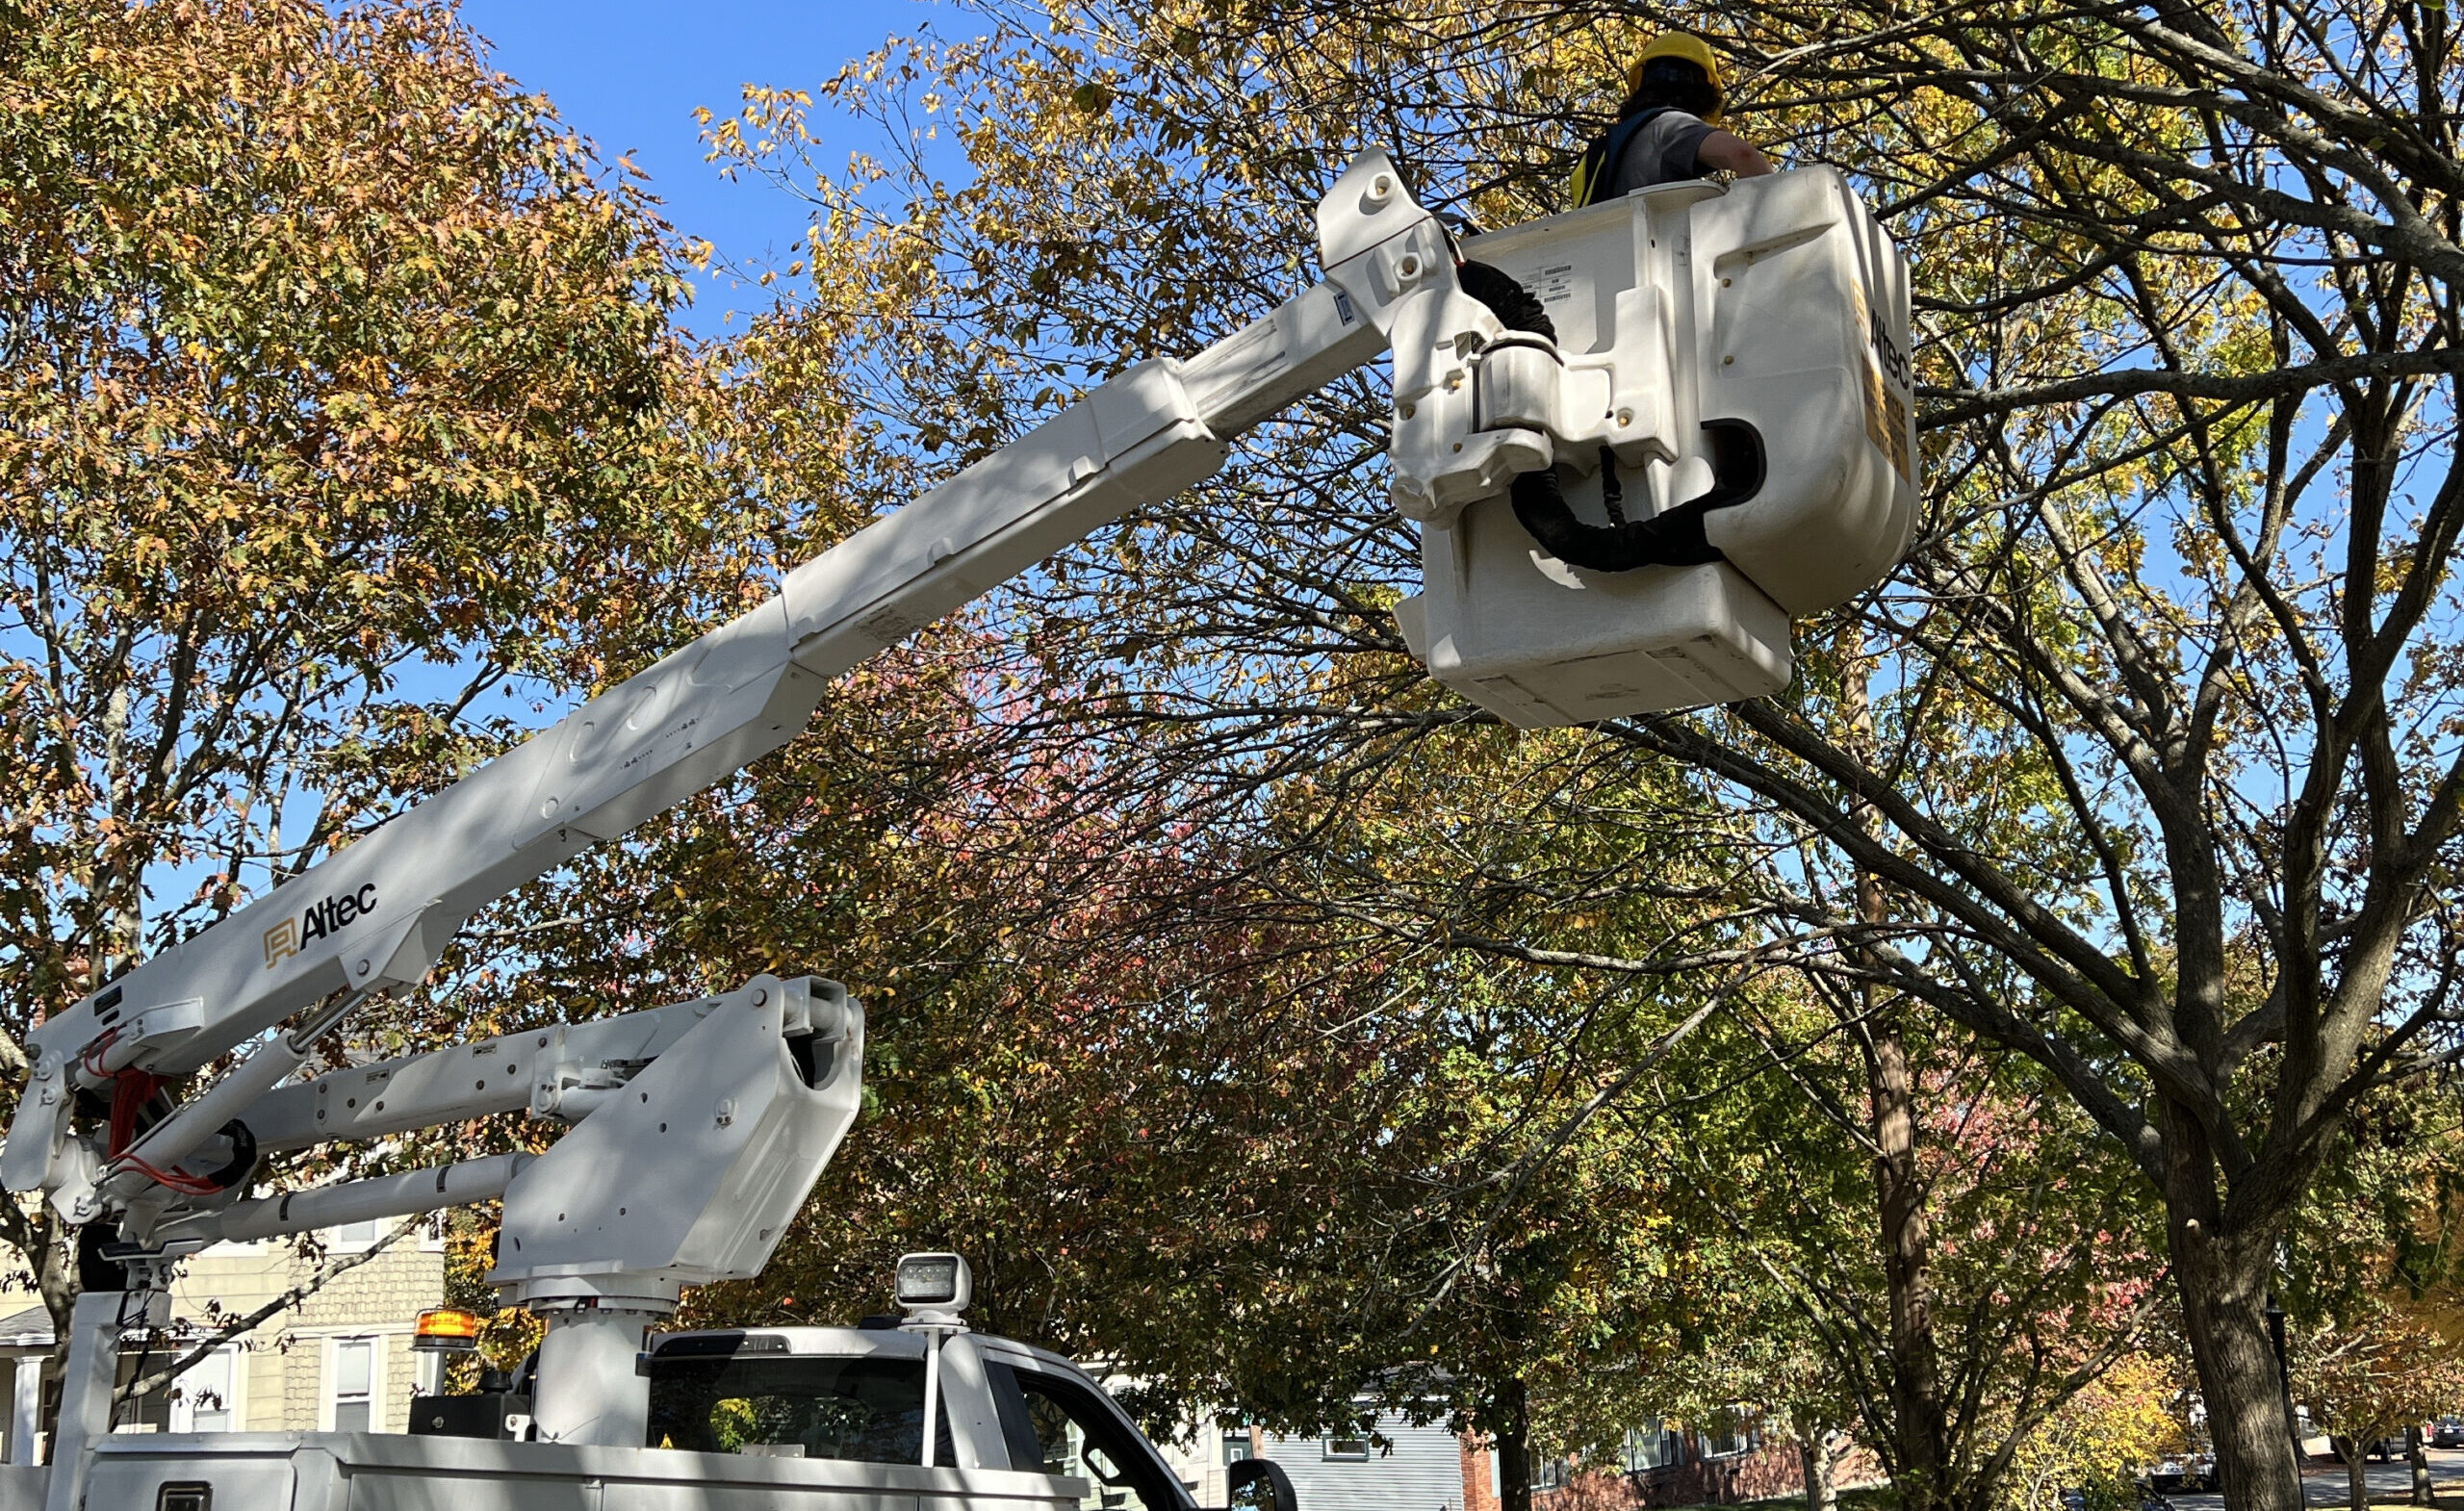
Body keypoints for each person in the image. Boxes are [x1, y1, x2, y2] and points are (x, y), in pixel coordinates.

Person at [1568, 33, 1773, 206]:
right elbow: (1742, 154)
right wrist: (1773, 208)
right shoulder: (1669, 125)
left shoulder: (1603, 152)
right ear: (1704, 93)